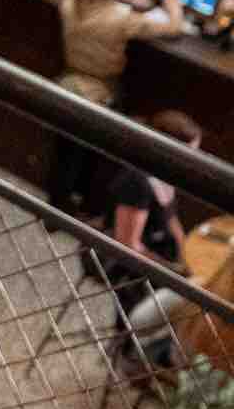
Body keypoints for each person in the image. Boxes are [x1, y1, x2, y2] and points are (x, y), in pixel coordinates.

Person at [86, 109, 207, 365]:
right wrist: (172, 270)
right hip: (117, 259)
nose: (192, 161)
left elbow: (171, 218)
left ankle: (159, 345)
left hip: (152, 250)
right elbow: (127, 245)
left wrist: (184, 255)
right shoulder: (137, 182)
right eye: (189, 154)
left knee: (198, 284)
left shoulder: (167, 175)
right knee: (191, 296)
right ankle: (139, 350)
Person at [57, 0, 186, 106]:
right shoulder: (122, 18)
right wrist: (173, 5)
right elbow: (174, 28)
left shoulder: (70, 3)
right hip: (103, 88)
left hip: (68, 77)